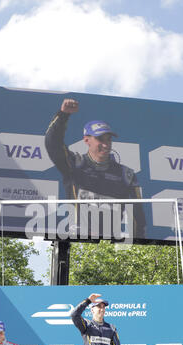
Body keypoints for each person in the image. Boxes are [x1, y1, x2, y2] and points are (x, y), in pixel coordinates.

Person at [45, 98, 146, 239]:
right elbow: (52, 144)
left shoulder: (126, 174)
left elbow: (138, 217)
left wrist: (136, 246)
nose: (106, 145)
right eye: (100, 139)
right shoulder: (75, 164)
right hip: (78, 240)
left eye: (108, 139)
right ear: (87, 140)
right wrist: (63, 116)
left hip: (110, 246)